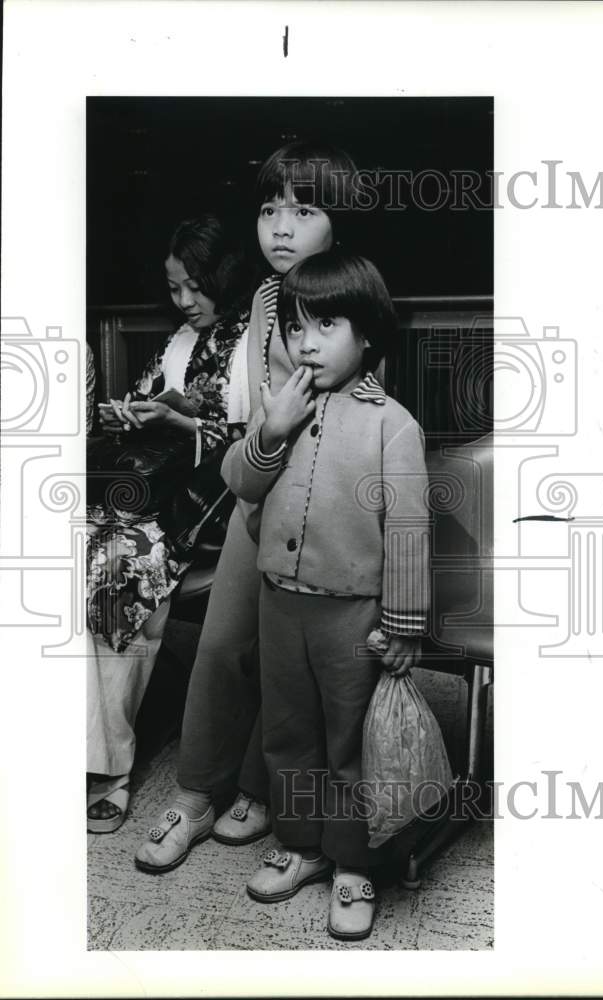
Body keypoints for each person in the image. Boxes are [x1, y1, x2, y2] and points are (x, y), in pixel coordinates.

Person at [135, 141, 364, 873]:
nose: (281, 226)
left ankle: (262, 792)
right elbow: (256, 425)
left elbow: (363, 424)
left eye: (303, 209)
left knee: (293, 664)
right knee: (222, 646)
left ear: (340, 220)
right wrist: (264, 438)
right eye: (269, 209)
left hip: (329, 510)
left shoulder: (355, 292)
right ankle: (199, 793)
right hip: (259, 493)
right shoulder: (263, 300)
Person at [221, 249, 430, 940]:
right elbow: (240, 482)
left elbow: (405, 530)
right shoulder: (280, 409)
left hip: (353, 617)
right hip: (279, 602)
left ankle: (353, 861)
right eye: (295, 326)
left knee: (349, 745)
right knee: (287, 734)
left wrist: (402, 625)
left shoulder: (389, 424)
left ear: (366, 333)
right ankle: (303, 844)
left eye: (327, 323)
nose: (305, 342)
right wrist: (270, 430)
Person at [87, 213, 252, 833]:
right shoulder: (180, 341)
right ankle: (83, 732)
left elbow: (269, 443)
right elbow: (155, 402)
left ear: (224, 277)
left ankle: (111, 768)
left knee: (114, 568)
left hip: (213, 510)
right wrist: (133, 412)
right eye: (173, 287)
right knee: (71, 551)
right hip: (156, 494)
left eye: (194, 287)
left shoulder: (257, 339)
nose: (182, 302)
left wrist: (192, 427)